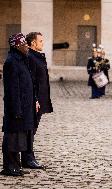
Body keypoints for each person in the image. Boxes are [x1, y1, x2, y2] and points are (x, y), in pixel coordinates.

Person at [1, 33, 35, 176]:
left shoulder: (22, 59)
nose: (27, 46)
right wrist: (16, 109)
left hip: (24, 107)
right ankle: (10, 166)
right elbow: (12, 89)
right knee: (12, 138)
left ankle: (16, 165)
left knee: (19, 138)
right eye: (24, 44)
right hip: (16, 108)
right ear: (16, 46)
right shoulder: (11, 62)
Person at [21, 32, 53, 169]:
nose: (42, 43)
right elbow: (31, 82)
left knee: (32, 129)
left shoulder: (37, 56)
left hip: (40, 98)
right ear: (33, 43)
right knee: (30, 129)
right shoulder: (30, 57)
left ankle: (28, 157)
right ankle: (28, 158)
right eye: (40, 41)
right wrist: (34, 99)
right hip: (35, 100)